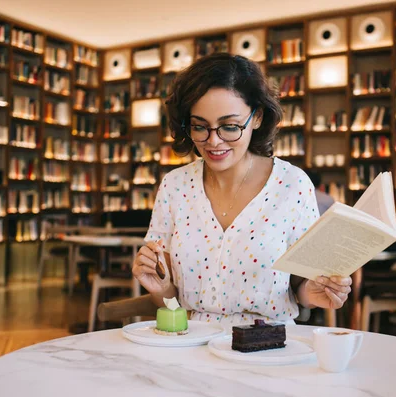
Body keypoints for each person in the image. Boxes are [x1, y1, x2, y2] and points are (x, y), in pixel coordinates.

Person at [132, 53, 352, 326]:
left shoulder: (292, 184)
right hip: (191, 344)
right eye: (200, 127)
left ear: (257, 117)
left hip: (269, 346)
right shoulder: (174, 186)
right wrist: (158, 287)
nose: (214, 141)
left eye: (230, 126)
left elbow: (301, 288)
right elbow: (169, 302)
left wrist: (318, 292)